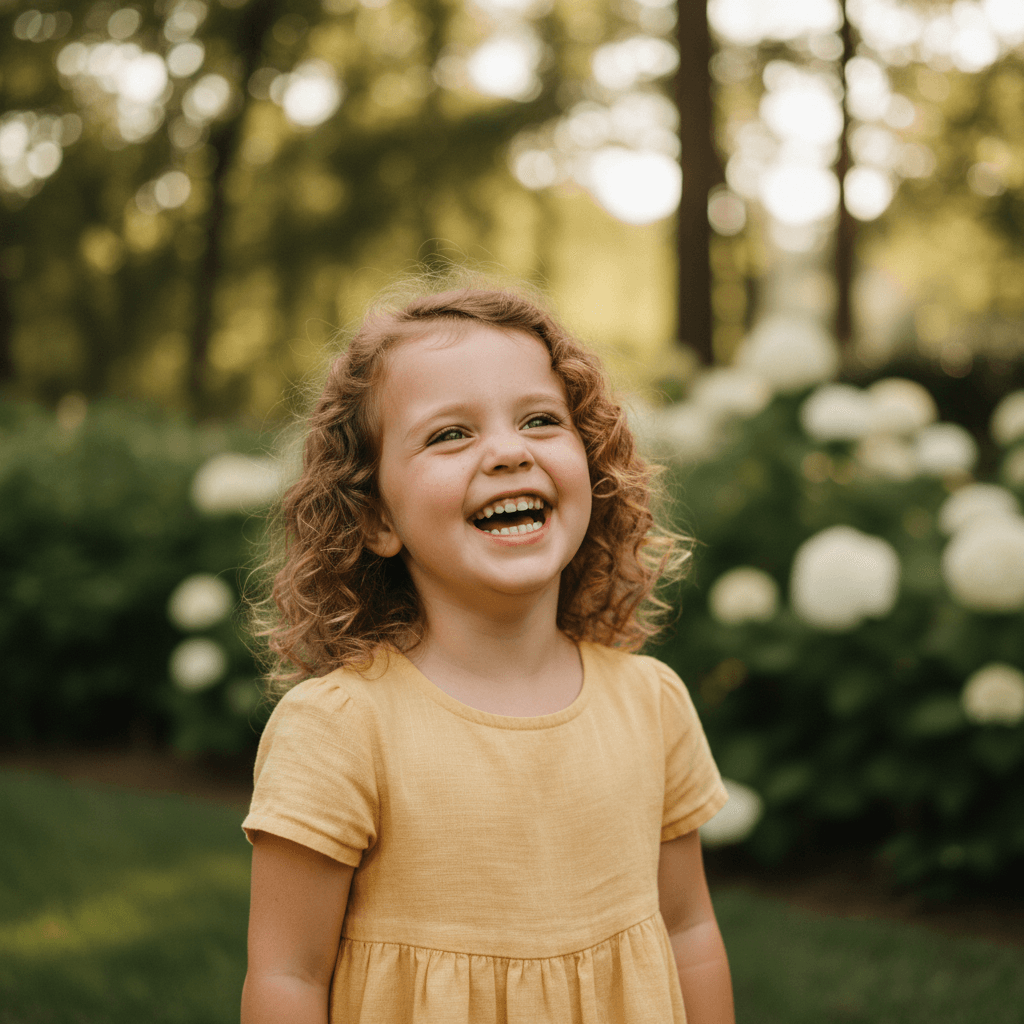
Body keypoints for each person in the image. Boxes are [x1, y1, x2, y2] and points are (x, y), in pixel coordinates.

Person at [240, 280, 735, 1024]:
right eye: (449, 434)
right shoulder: (342, 727)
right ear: (375, 516)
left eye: (540, 420)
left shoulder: (652, 703)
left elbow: (689, 928)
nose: (508, 452)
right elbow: (288, 976)